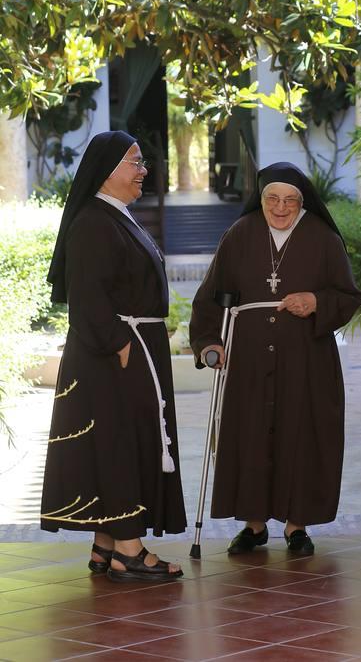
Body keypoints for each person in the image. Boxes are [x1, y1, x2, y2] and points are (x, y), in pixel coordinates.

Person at [190, 162, 361, 556]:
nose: (280, 208)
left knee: (301, 436)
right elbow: (211, 295)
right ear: (261, 198)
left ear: (302, 202)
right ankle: (253, 526)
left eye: (290, 201)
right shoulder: (240, 233)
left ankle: (296, 525)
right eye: (272, 199)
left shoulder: (323, 237)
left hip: (307, 359)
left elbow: (348, 296)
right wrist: (208, 342)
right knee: (251, 436)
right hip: (248, 358)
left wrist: (316, 301)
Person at [41, 131, 186, 582]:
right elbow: (87, 299)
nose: (144, 171)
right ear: (107, 170)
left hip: (131, 346)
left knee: (122, 442)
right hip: (113, 354)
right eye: (135, 162)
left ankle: (105, 543)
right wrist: (120, 344)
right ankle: (128, 550)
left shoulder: (114, 216)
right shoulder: (93, 222)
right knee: (120, 445)